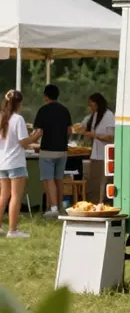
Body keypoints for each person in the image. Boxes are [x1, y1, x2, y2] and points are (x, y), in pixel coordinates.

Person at [0, 90, 38, 238]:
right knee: (16, 196)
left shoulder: (2, 117)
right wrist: (36, 135)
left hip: (2, 162)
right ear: (20, 103)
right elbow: (23, 142)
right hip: (15, 162)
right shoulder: (18, 119)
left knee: (3, 196)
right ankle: (13, 230)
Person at [31, 84, 72, 218]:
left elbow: (38, 131)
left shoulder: (43, 110)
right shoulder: (65, 110)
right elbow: (70, 131)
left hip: (47, 150)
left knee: (49, 179)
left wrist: (28, 141)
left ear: (46, 96)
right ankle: (60, 207)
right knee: (59, 179)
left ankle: (53, 208)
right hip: (62, 150)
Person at [76, 93, 115, 204]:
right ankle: (94, 201)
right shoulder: (94, 116)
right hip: (95, 154)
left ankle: (103, 202)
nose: (90, 107)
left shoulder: (108, 115)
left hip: (104, 154)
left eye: (92, 104)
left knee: (103, 180)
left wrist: (94, 135)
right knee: (94, 180)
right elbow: (84, 125)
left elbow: (110, 137)